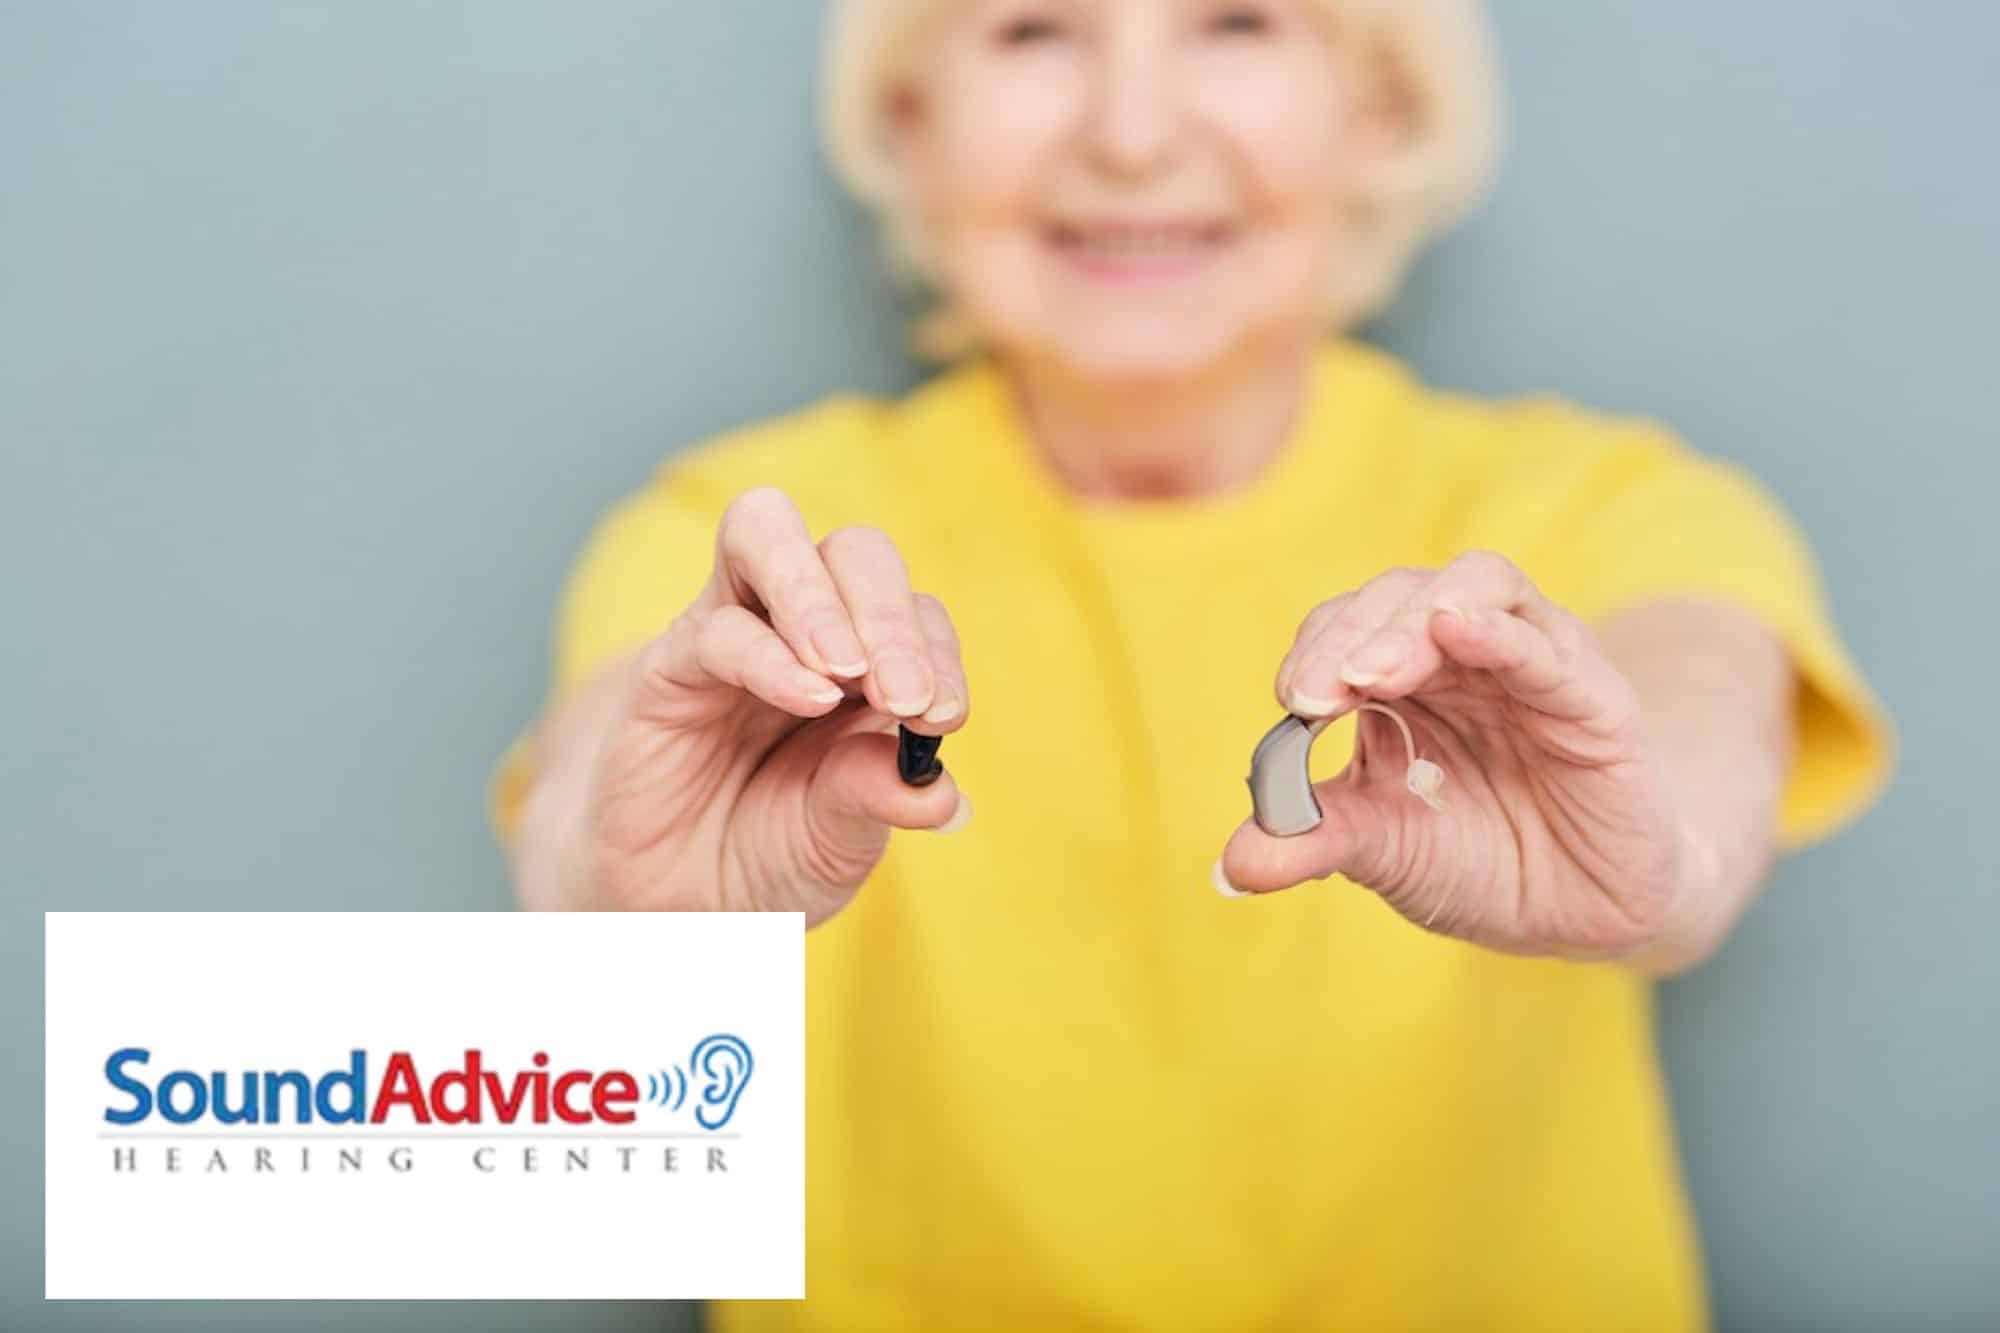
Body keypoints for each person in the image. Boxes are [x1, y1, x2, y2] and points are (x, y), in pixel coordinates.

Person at [488, 0, 1897, 1327]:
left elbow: (1701, 732)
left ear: (1383, 110)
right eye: (1034, 27)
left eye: (1237, 19)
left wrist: (1669, 859)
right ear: (913, 124)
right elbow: (589, 818)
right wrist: (632, 907)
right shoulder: (736, 536)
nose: (1132, 134)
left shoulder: (1609, 513)